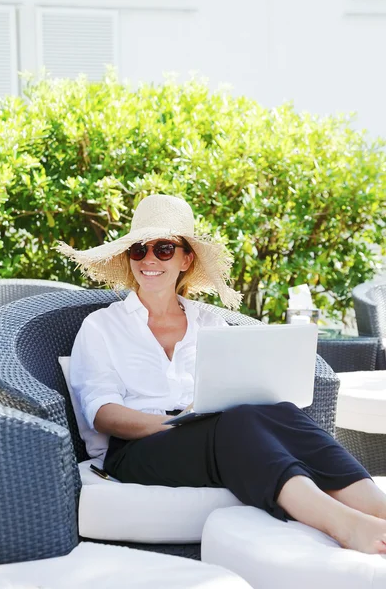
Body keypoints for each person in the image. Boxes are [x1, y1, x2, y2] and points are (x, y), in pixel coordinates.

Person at [57, 193, 386, 555]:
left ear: (186, 258)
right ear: (129, 257)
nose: (149, 259)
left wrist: (200, 418)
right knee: (234, 425)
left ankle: (378, 508)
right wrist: (177, 423)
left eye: (164, 249)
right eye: (139, 250)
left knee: (282, 412)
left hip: (209, 429)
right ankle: (344, 525)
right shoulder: (102, 326)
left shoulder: (210, 322)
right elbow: (103, 414)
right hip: (135, 450)